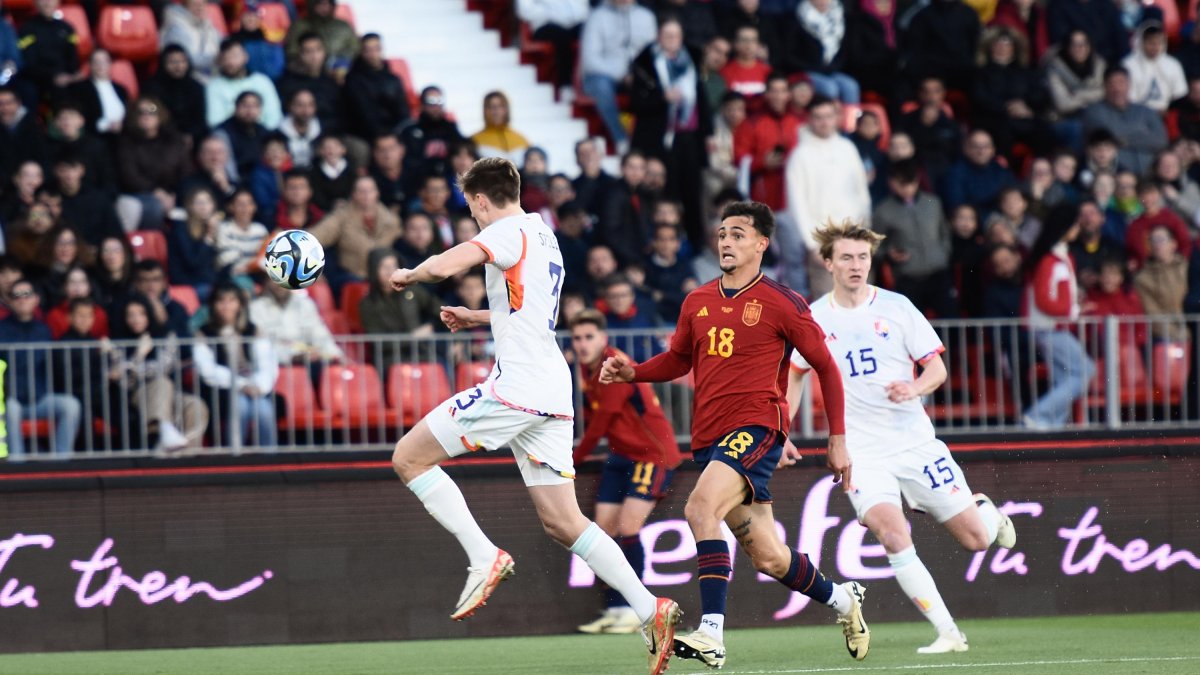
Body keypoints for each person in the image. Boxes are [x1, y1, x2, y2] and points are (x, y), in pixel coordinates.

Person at [387, 157, 681, 675]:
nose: (473, 216)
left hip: (516, 388)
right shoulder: (543, 234)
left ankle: (483, 556)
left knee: (408, 458)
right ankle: (648, 608)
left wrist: (413, 271)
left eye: (470, 206)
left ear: (479, 200)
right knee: (564, 522)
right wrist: (476, 316)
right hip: (551, 388)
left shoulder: (504, 229)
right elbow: (526, 310)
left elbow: (451, 263)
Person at [599, 201, 869, 669]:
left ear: (761, 244)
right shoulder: (696, 300)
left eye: (738, 234)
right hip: (710, 438)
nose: (726, 241)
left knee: (699, 508)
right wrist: (634, 373)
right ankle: (845, 601)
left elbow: (825, 366)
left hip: (758, 426)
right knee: (769, 557)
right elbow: (679, 360)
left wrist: (837, 437)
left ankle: (711, 635)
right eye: (723, 233)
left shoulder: (784, 302)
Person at [785, 220, 1018, 654]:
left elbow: (937, 368)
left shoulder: (897, 306)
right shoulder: (813, 318)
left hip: (913, 443)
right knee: (893, 534)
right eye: (847, 258)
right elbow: (795, 375)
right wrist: (783, 429)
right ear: (829, 263)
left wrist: (915, 387)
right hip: (861, 453)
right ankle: (950, 633)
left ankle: (987, 513)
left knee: (976, 541)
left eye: (862, 257)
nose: (856, 265)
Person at [569, 309, 684, 635]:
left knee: (628, 526)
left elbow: (601, 421)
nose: (582, 344)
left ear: (603, 339)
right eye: (577, 338)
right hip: (621, 456)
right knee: (601, 533)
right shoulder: (585, 368)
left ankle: (639, 610)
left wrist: (572, 459)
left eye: (588, 337)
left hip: (652, 456)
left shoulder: (614, 363)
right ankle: (616, 608)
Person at [785, 95, 871, 297]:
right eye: (818, 117)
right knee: (828, 313)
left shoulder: (848, 148)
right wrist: (812, 245)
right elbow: (796, 205)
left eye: (828, 116)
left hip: (856, 240)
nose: (824, 122)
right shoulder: (800, 155)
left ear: (836, 117)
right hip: (823, 245)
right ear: (809, 119)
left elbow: (862, 194)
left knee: (861, 308)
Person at [1022, 203, 1096, 429]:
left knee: (1064, 377)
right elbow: (1044, 300)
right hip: (1050, 327)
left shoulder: (1057, 258)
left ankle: (1052, 423)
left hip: (1052, 326)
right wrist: (1072, 310)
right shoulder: (1051, 260)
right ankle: (1038, 415)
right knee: (1085, 370)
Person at [105, 294, 208, 452]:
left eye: (141, 313)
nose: (136, 319)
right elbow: (125, 383)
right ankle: (165, 429)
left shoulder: (166, 335)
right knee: (161, 383)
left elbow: (164, 367)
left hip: (171, 392)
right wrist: (138, 355)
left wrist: (131, 367)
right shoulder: (118, 342)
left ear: (149, 314)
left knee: (195, 405)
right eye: (131, 315)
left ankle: (186, 451)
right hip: (137, 394)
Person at [0, 278, 82, 459]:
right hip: (12, 398)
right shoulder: (1, 329)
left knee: (71, 405)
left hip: (40, 397)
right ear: (10, 301)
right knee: (10, 409)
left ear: (36, 299)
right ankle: (17, 462)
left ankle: (61, 460)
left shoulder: (44, 330)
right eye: (16, 295)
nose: (22, 299)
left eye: (26, 294)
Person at [194, 283, 279, 449]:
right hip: (222, 388)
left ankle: (270, 458)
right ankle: (235, 456)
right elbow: (208, 370)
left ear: (240, 304)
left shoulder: (253, 330)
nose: (226, 306)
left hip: (254, 384)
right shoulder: (203, 333)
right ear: (213, 305)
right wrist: (241, 385)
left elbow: (267, 362)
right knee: (240, 406)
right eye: (221, 301)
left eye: (232, 301)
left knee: (264, 409)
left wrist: (259, 386)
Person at [159, 0, 223, 79]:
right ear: (185, 7)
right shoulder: (176, 28)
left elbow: (224, 44)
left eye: (202, 4)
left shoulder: (207, 24)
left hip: (213, 74)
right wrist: (217, 58)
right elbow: (185, 61)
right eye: (195, 4)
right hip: (190, 79)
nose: (200, 8)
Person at [471, 91, 531, 165]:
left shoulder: (522, 140)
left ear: (506, 109)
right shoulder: (475, 141)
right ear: (485, 110)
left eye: (500, 106)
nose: (496, 111)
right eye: (491, 107)